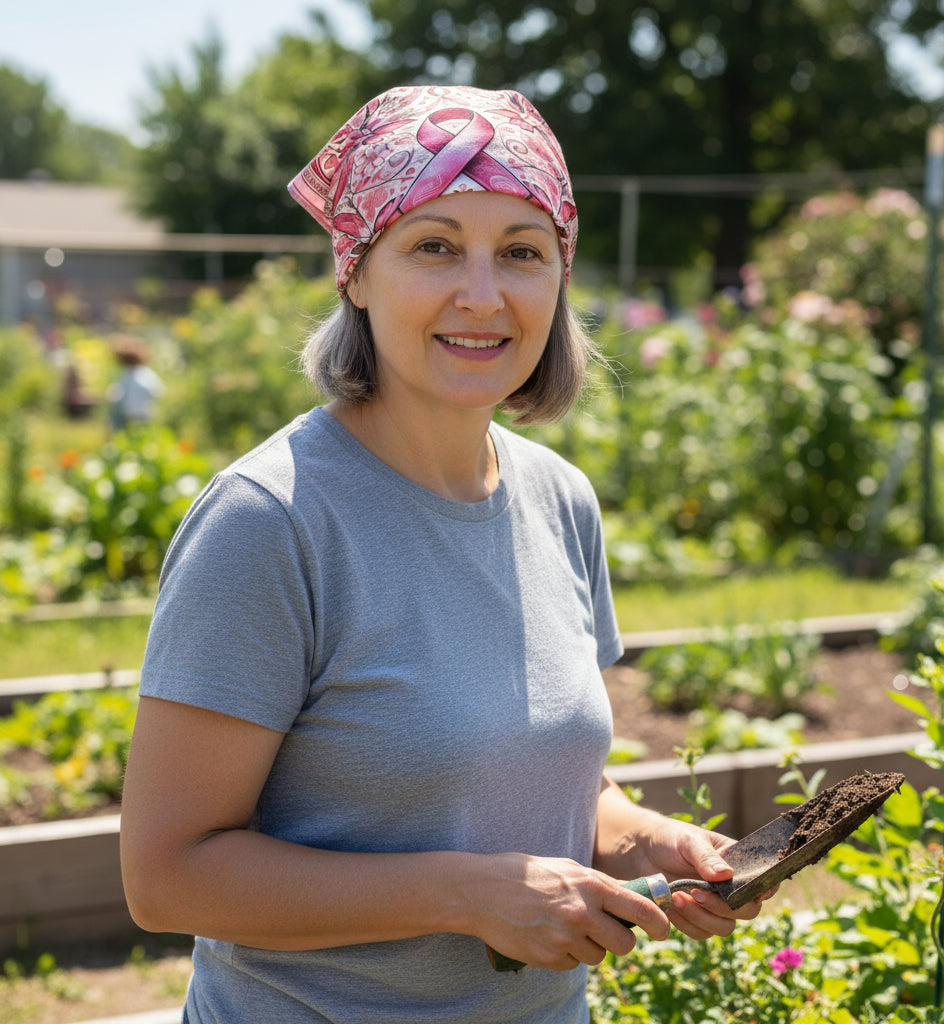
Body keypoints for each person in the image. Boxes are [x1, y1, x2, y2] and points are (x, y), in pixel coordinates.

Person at [120, 84, 767, 1024]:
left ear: (559, 277)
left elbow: (556, 788)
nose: (483, 293)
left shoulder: (559, 500)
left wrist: (647, 843)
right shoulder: (271, 521)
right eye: (434, 246)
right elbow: (166, 878)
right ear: (357, 272)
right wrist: (467, 895)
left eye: (521, 252)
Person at [107, 336, 163, 429]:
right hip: (130, 414)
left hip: (143, 414)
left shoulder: (144, 374)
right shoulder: (126, 374)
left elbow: (155, 391)